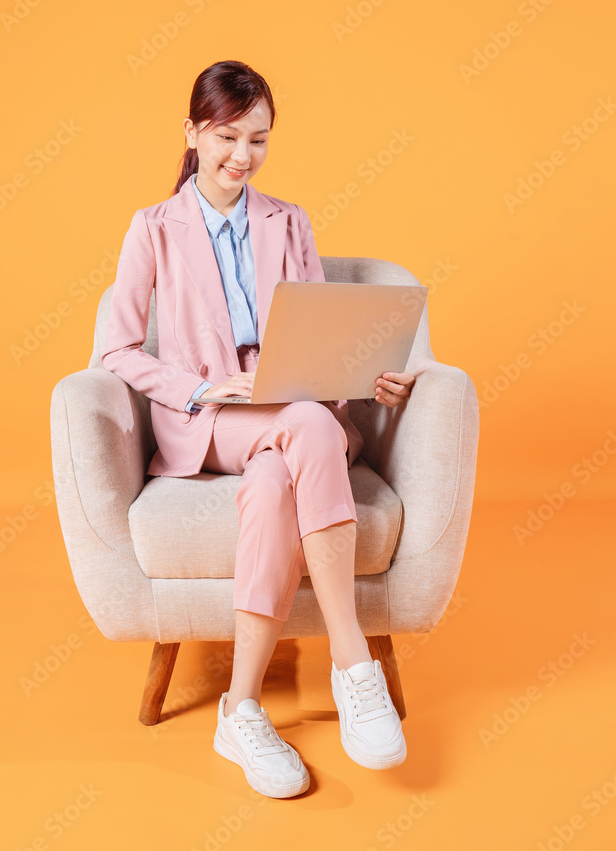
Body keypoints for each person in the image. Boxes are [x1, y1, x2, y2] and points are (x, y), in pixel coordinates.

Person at [101, 60, 416, 799]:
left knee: (280, 471)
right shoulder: (152, 230)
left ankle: (238, 707)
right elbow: (115, 350)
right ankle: (351, 661)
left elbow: (316, 332)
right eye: (226, 136)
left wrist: (365, 373)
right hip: (210, 418)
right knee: (304, 425)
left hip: (290, 413)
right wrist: (211, 386)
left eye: (259, 139)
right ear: (193, 133)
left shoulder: (289, 220)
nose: (242, 156)